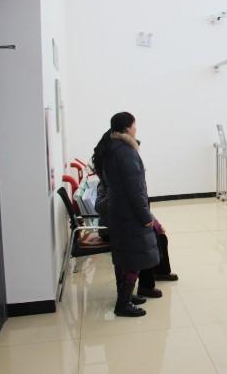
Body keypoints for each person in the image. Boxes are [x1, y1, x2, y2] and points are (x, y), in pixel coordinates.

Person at [92, 112, 160, 317]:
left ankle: (126, 296)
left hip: (118, 211)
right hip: (129, 214)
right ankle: (123, 304)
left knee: (124, 257)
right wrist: (146, 217)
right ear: (127, 128)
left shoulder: (111, 148)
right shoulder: (125, 152)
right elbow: (135, 189)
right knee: (133, 258)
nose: (136, 128)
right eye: (134, 125)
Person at [95, 182, 178, 300]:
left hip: (128, 224)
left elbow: (143, 208)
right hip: (111, 229)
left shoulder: (133, 183)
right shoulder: (105, 183)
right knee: (145, 240)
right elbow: (99, 207)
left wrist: (156, 223)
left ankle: (161, 272)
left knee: (160, 236)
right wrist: (114, 192)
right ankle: (146, 286)